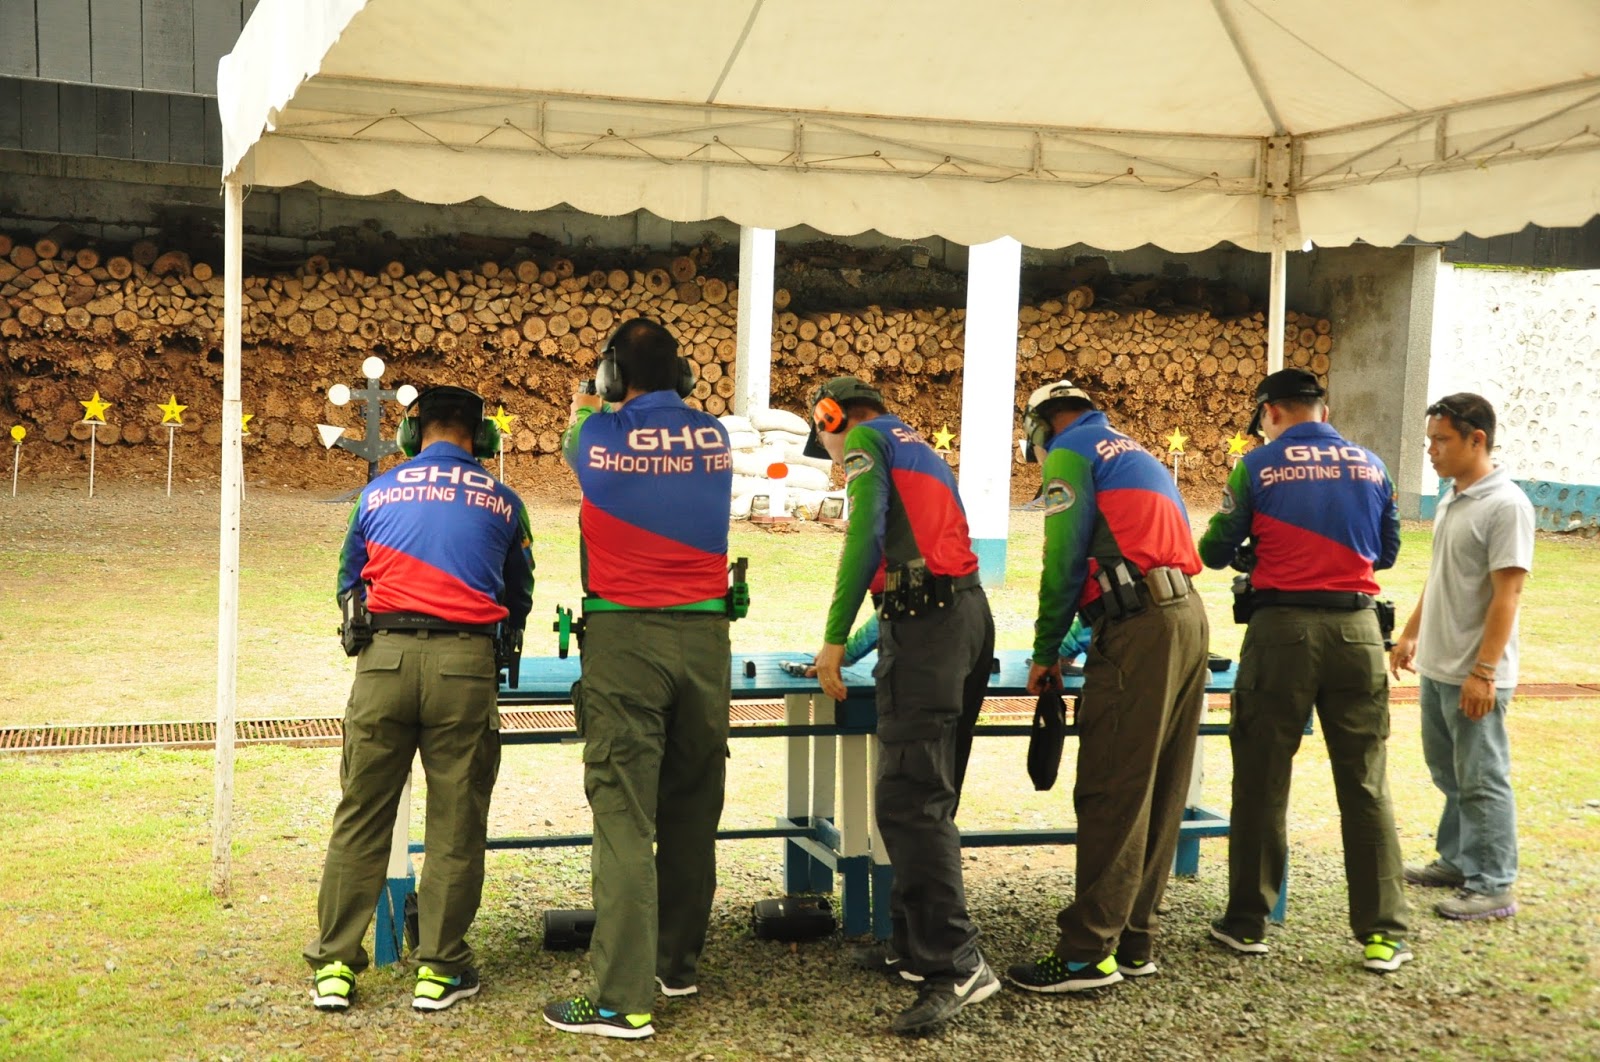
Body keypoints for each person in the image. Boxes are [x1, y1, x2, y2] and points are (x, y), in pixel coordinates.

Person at [306, 385, 534, 1013]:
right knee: (456, 822)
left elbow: (349, 582)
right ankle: (439, 968)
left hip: (383, 664)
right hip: (465, 669)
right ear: (482, 437)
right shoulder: (505, 502)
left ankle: (334, 966)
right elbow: (519, 595)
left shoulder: (375, 493)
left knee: (361, 814)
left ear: (411, 433)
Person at [543, 318, 736, 1041]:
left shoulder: (594, 435)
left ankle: (620, 1000)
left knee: (624, 811)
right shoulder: (714, 436)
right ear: (682, 377)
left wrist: (591, 398)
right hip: (706, 638)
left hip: (625, 637)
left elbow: (575, 431)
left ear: (612, 377)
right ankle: (675, 964)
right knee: (691, 805)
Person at [1199, 368, 1413, 974]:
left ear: (1270, 412)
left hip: (1281, 632)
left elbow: (1214, 551)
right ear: (1324, 409)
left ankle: (1248, 923)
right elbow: (1387, 552)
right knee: (1365, 782)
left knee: (1262, 778)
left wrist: (1258, 552)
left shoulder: (1256, 466)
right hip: (1358, 631)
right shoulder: (1373, 465)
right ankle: (1383, 932)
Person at [806, 375, 998, 1036]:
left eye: (825, 439)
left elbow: (865, 538)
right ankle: (915, 948)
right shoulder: (913, 444)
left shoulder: (864, 441)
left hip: (930, 630)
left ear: (832, 418)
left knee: (911, 798)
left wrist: (834, 639)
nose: (833, 459)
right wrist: (858, 643)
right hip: (960, 617)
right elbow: (919, 565)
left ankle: (956, 963)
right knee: (923, 792)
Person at [1007, 379, 1208, 994]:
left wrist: (1045, 651)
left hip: (1139, 631)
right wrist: (1076, 641)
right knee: (1160, 786)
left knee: (1112, 787)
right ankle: (1134, 942)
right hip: (1185, 617)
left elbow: (1064, 562)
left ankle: (1086, 954)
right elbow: (1137, 560)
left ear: (1041, 427)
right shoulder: (1133, 450)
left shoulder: (1070, 452)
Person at [1390, 393, 1533, 921]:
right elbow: (1441, 577)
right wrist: (1411, 634)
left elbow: (1507, 595)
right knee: (1449, 772)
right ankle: (1457, 861)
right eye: (1429, 440)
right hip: (1439, 665)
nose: (1431, 450)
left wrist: (1484, 672)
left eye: (1441, 440)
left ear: (1477, 440)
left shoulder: (1506, 505)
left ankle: (1493, 883)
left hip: (1476, 672)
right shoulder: (1452, 498)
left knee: (1481, 778)